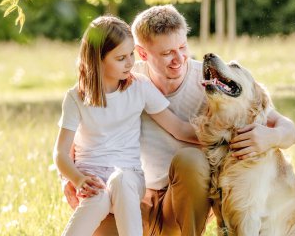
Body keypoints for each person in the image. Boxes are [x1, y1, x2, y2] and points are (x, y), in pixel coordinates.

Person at [63, 5, 295, 236]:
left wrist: (272, 136)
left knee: (191, 159)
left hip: (182, 202)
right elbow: (84, 133)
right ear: (142, 53)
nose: (179, 59)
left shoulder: (212, 83)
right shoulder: (125, 79)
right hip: (133, 197)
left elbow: (288, 129)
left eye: (182, 47)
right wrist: (68, 179)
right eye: (166, 53)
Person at [53, 15, 199, 236]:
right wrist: (77, 179)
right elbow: (61, 153)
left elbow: (178, 129)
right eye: (121, 58)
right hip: (92, 181)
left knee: (120, 180)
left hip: (129, 177)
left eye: (131, 54)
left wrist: (226, 133)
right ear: (97, 59)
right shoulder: (76, 98)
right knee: (98, 200)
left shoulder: (139, 87)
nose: (131, 63)